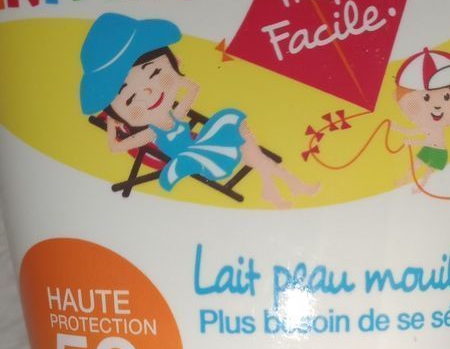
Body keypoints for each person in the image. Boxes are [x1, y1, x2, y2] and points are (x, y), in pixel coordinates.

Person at [79, 13, 317, 209]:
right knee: (245, 145)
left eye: (156, 72)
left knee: (238, 130)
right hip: (192, 158)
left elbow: (193, 89)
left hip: (200, 144)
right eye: (130, 98)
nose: (148, 93)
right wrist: (111, 123)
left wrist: (175, 76)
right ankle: (286, 185)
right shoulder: (151, 132)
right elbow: (116, 147)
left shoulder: (175, 115)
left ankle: (277, 187)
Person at [391, 47, 450, 189]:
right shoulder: (429, 126)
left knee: (427, 171)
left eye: (446, 96)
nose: (437, 106)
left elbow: (430, 142)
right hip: (432, 149)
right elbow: (415, 133)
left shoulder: (434, 127)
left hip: (437, 151)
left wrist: (410, 140)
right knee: (419, 166)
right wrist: (397, 128)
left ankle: (419, 186)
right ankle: (408, 181)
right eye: (426, 97)